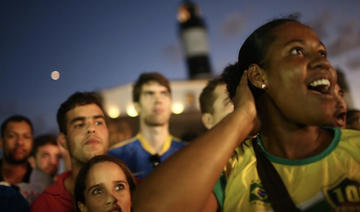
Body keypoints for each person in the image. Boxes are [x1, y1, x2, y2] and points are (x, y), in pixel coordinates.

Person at [132, 18, 360, 212]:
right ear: (259, 77)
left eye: (322, 52)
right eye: (296, 51)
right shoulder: (230, 168)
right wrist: (242, 117)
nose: (323, 62)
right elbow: (153, 205)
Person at [31, 92, 110, 212]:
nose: (91, 129)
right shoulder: (45, 206)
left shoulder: (137, 191)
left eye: (98, 122)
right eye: (79, 125)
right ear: (63, 140)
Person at [109, 72, 186, 179]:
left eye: (164, 93)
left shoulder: (188, 152)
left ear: (170, 104)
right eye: (149, 94)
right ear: (137, 106)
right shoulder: (116, 157)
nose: (158, 100)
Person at [0, 115, 33, 185]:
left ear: (32, 142)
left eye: (26, 137)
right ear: (1, 142)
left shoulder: (44, 183)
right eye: (12, 136)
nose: (20, 142)